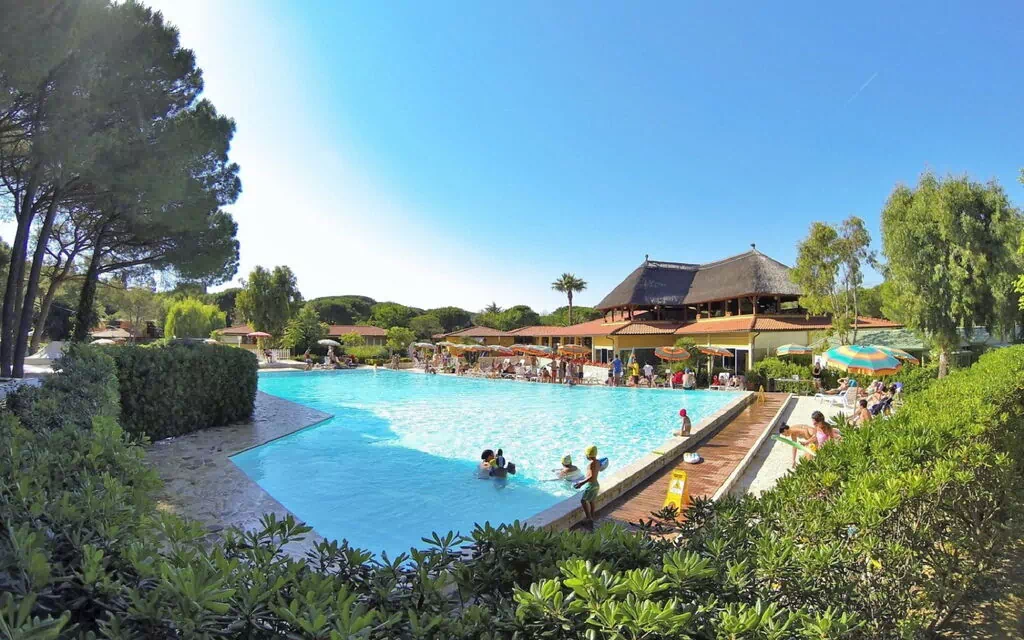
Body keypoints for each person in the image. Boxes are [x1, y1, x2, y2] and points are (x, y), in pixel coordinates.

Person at [574, 445, 601, 526]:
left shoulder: (591, 464)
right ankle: (592, 517)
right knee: (591, 501)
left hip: (591, 485)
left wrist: (581, 483)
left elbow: (591, 476)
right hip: (596, 484)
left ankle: (588, 518)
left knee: (583, 501)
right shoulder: (598, 462)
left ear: (588, 455)